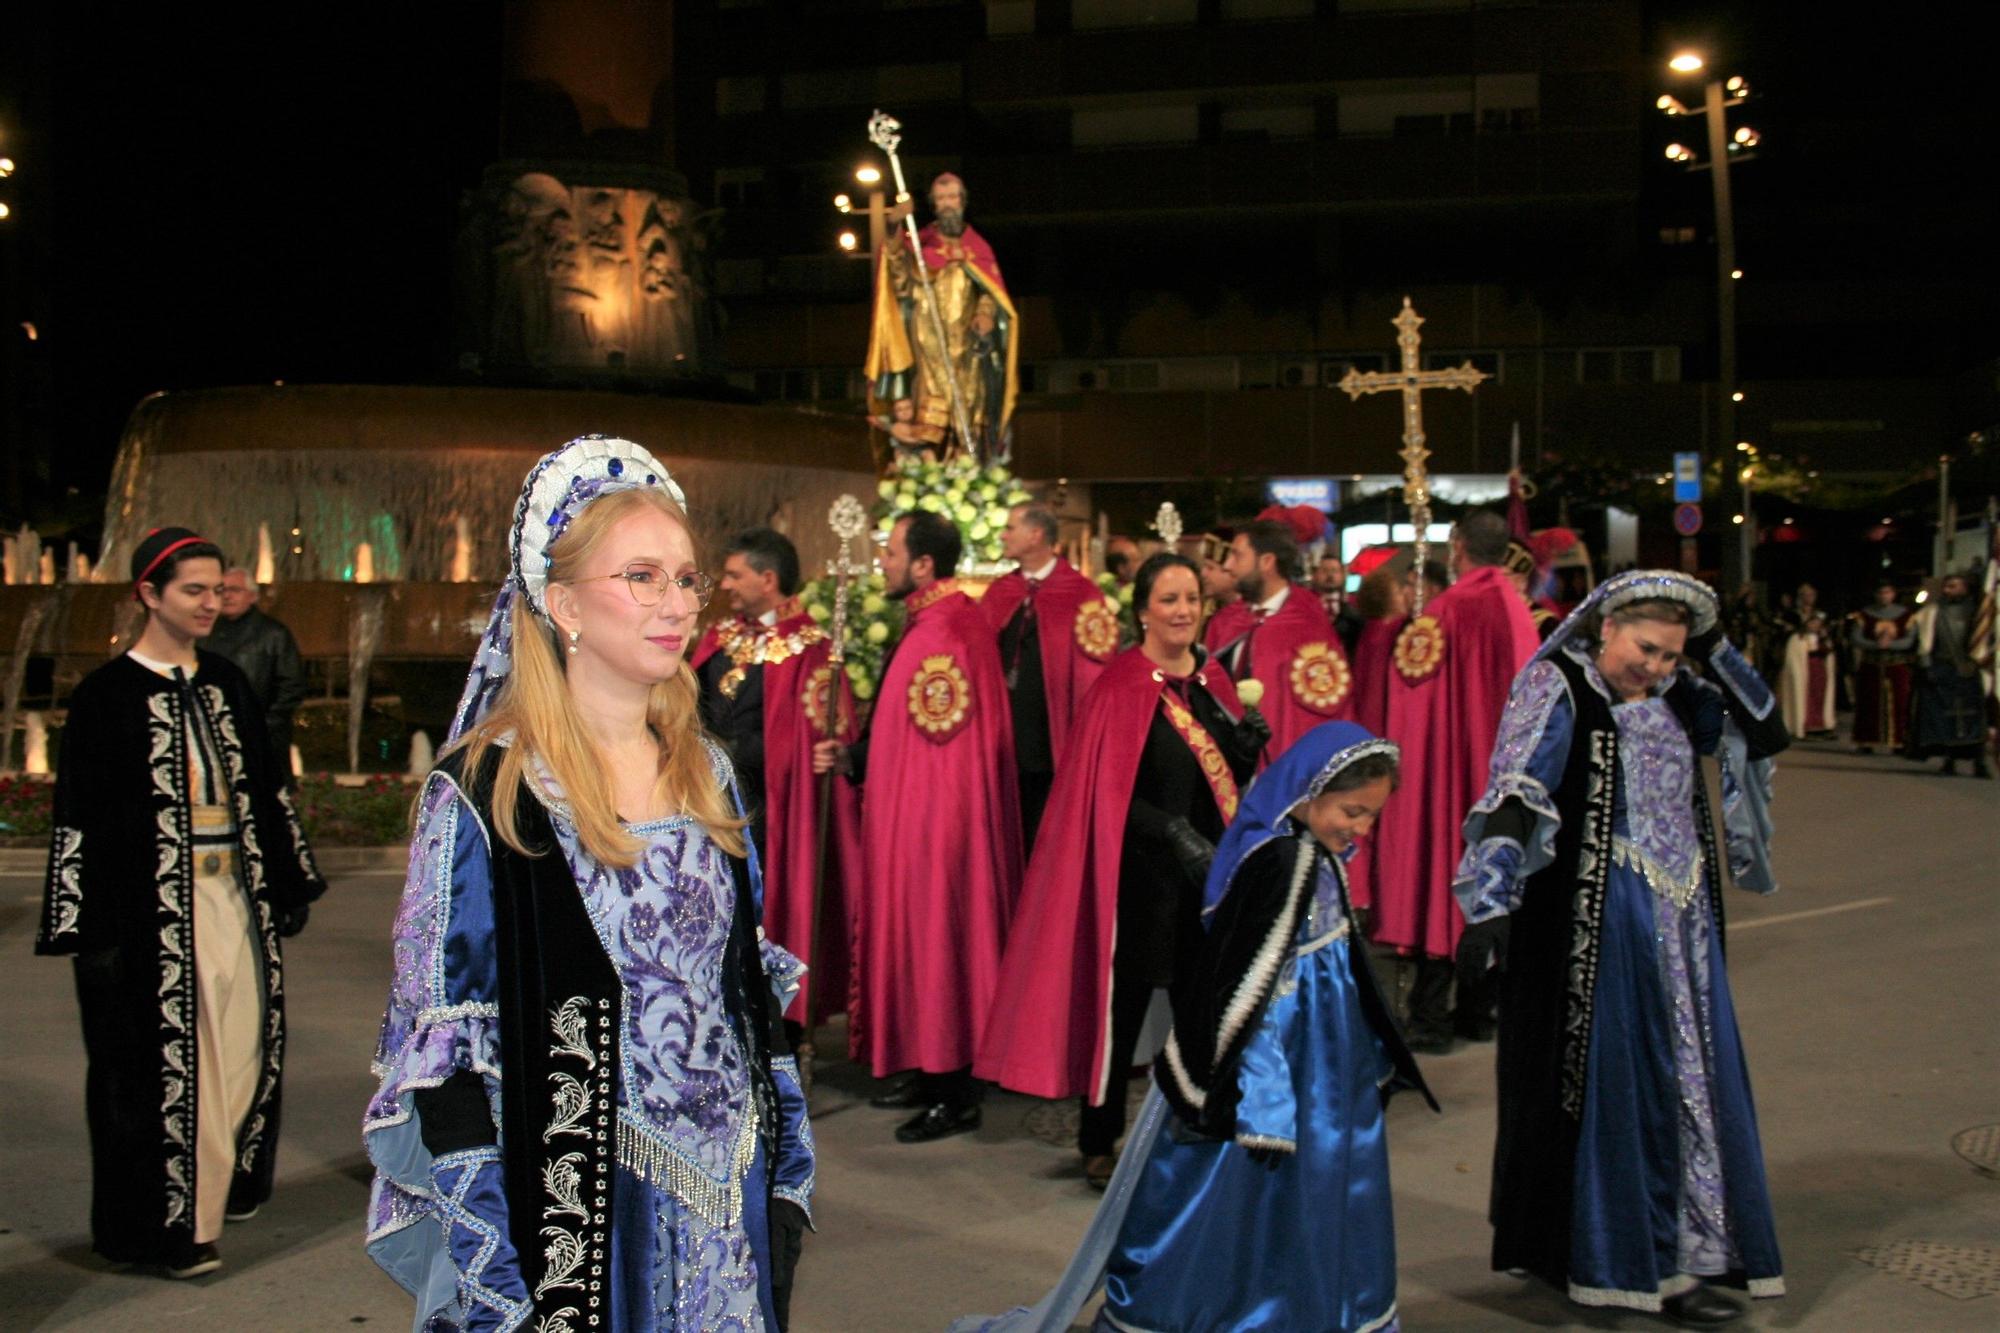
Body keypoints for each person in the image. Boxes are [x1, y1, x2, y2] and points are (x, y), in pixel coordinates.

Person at [362, 437, 815, 1331]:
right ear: (562, 602)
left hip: (730, 1209)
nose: (676, 603)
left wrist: (789, 1182)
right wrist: (500, 1281)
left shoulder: (708, 774)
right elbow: (447, 1069)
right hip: (580, 1225)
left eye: (686, 579)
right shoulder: (489, 794)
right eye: (641, 576)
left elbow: (749, 1004)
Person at [952, 721, 1432, 1333]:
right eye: (1351, 811)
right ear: (1310, 793)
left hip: (1320, 1051)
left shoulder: (1314, 854)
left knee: (1305, 1190)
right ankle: (1230, 1307)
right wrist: (1258, 1084)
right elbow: (1245, 980)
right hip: (1277, 1060)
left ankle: (1294, 1302)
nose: (1360, 829)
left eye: (1371, 817)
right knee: (1234, 1196)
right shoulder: (1285, 863)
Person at [1456, 570, 1788, 1323]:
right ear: (1605, 628)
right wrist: (1488, 903)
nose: (1657, 667)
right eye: (1646, 647)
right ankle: (1625, 1260)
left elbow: (1765, 729)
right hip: (1599, 929)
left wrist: (1714, 645)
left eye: (1671, 655)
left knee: (1690, 1085)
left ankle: (1685, 1255)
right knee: (1617, 1088)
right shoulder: (1558, 687)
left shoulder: (1679, 696)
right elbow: (1516, 792)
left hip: (1683, 926)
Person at [37, 527, 323, 1279]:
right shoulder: (107, 697)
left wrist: (289, 880)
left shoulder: (227, 682)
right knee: (176, 1069)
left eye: (215, 589)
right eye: (192, 591)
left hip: (236, 898)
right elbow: (78, 817)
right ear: (148, 594)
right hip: (154, 916)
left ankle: (214, 1188)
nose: (209, 603)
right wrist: (82, 925)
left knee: (244, 1054)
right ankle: (178, 1230)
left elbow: (268, 790)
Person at [976, 553, 1262, 1190]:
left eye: (1192, 597)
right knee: (1123, 1012)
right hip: (1138, 884)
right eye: (1169, 600)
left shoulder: (1214, 683)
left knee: (1201, 1008)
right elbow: (1104, 793)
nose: (1184, 610)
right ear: (1142, 611)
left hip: (1206, 881)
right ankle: (1098, 1139)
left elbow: (1222, 791)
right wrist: (1171, 831)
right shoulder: (1123, 685)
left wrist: (1243, 755)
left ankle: (1194, 1121)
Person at [813, 509, 1023, 1142]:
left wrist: (937, 834)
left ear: (924, 564)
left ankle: (955, 1090)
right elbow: (904, 735)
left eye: (893, 551)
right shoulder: (930, 622)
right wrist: (851, 757)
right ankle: (927, 1070)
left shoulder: (952, 631)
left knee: (943, 944)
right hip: (915, 824)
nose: (884, 561)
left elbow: (950, 755)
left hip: (942, 832)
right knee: (920, 942)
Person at [1374, 510, 1539, 1050]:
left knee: (1442, 871)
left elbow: (1412, 696)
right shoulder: (1517, 608)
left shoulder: (1447, 610)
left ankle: (1431, 1017)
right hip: (1505, 771)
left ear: (1457, 546)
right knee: (1497, 873)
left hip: (1451, 772)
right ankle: (1478, 1009)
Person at [692, 527, 862, 1045]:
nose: (725, 584)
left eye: (735, 574)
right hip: (708, 800)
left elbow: (818, 739)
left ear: (768, 580)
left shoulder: (812, 651)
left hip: (772, 810)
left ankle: (777, 1019)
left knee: (766, 913)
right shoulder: (721, 636)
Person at [981, 502, 1121, 852]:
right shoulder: (1001, 591)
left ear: (1036, 534)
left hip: (1050, 744)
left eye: (1011, 528)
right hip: (1002, 741)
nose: (1003, 535)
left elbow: (1096, 671)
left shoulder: (1081, 594)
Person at [865, 171, 1018, 459]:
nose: (948, 203)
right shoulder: (921, 244)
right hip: (928, 340)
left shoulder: (978, 248)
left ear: (962, 201)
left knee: (968, 404)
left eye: (952, 197)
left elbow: (990, 291)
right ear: (934, 204)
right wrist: (894, 225)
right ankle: (931, 466)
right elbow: (897, 273)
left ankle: (966, 467)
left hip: (967, 345)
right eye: (941, 198)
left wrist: (985, 314)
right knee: (930, 405)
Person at [1202, 517, 1355, 763]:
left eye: (1237, 556)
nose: (1228, 566)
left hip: (1284, 761)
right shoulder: (1225, 621)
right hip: (1228, 761)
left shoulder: (1308, 622)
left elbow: (1323, 704)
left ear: (1266, 562)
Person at [206, 565, 308, 778]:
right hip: (213, 734)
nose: (227, 596)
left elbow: (291, 685)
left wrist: (263, 725)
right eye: (221, 590)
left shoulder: (274, 634)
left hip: (262, 737)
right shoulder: (206, 632)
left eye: (234, 590)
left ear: (252, 596)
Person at [1911, 571, 1992, 776]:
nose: (1947, 590)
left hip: (1970, 669)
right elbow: (1924, 641)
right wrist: (1927, 665)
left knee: (1974, 717)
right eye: (1946, 586)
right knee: (1946, 717)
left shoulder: (1978, 612)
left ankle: (1979, 761)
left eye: (1953, 586)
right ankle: (1950, 759)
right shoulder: (1933, 611)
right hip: (1942, 669)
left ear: (1964, 587)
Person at [1849, 580, 1915, 753]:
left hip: (1896, 664)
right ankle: (1866, 741)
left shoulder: (1905, 615)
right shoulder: (1864, 615)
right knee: (1868, 704)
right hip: (1871, 664)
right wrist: (1875, 645)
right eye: (1881, 592)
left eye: (1888, 592)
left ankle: (1898, 741)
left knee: (1899, 704)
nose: (1884, 596)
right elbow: (1856, 638)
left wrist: (1891, 645)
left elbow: (1910, 640)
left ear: (1893, 594)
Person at [1778, 610, 1837, 740]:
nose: (1815, 625)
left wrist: (1824, 641)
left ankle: (1822, 725)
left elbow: (1828, 652)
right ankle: (1805, 725)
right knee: (1806, 698)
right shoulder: (1797, 638)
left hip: (1819, 672)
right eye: (1813, 622)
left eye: (1818, 623)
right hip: (1805, 672)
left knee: (1819, 698)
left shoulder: (1822, 638)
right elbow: (1793, 660)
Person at [1313, 548, 1363, 654]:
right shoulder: (1306, 607)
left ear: (1342, 575)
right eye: (1325, 571)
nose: (1330, 575)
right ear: (1316, 575)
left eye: (1334, 571)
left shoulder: (1355, 608)